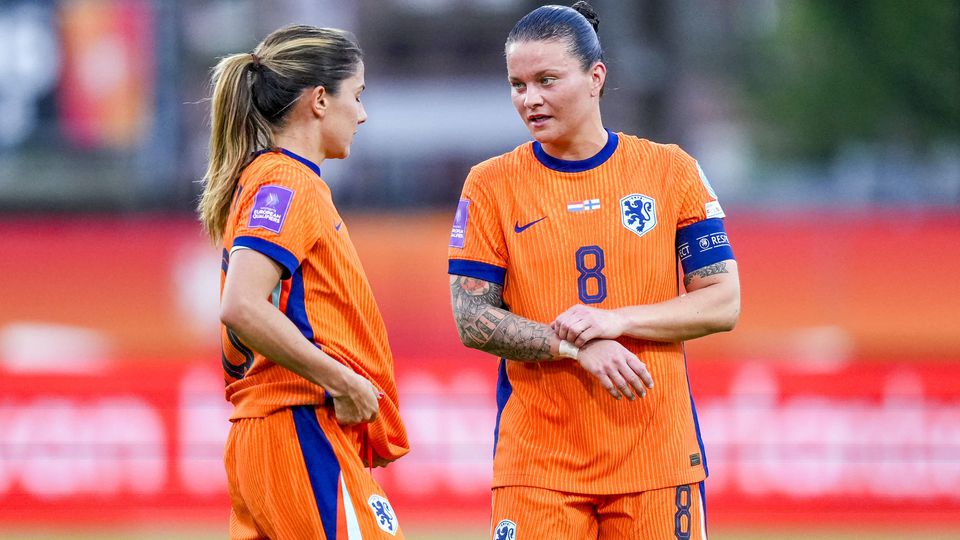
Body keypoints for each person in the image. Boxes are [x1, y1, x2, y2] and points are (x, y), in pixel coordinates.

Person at [448, 3, 740, 539]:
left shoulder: (671, 169)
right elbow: (471, 319)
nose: (529, 98)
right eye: (517, 84)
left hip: (656, 460)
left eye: (546, 80)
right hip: (537, 468)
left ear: (595, 79)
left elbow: (722, 301)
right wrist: (576, 347)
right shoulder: (489, 185)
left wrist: (616, 321)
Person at [198, 25, 409, 539]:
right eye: (356, 96)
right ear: (319, 100)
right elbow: (242, 306)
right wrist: (344, 381)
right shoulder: (286, 181)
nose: (361, 114)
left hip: (274, 433)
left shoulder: (269, 179)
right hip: (298, 427)